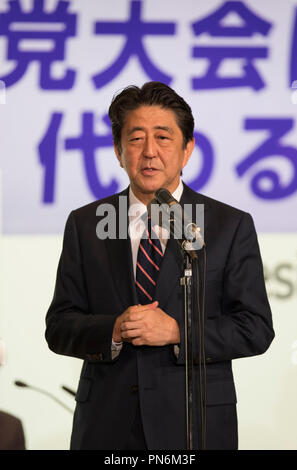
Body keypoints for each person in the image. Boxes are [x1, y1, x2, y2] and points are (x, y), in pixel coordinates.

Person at [45, 81, 274, 450]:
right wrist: (114, 330)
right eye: (135, 139)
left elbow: (255, 328)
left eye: (163, 138)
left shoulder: (228, 225)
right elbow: (59, 326)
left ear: (187, 150)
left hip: (194, 424)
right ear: (119, 152)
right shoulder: (87, 224)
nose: (149, 152)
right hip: (107, 425)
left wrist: (178, 331)